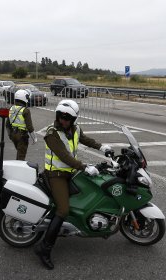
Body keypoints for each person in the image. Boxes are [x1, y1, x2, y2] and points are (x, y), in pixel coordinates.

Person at [34, 99, 112, 269]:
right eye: (61, 117)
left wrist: (102, 147)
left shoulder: (75, 129)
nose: (63, 120)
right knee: (63, 210)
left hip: (70, 173)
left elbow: (85, 139)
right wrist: (84, 167)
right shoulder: (51, 133)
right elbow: (64, 156)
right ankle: (44, 248)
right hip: (56, 175)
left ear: (74, 119)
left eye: (67, 118)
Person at [6, 89, 37, 160]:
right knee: (21, 157)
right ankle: (18, 169)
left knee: (19, 154)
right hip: (22, 136)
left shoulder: (11, 108)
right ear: (23, 97)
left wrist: (10, 135)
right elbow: (29, 127)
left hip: (13, 135)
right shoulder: (26, 110)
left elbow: (7, 124)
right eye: (26, 97)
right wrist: (34, 138)